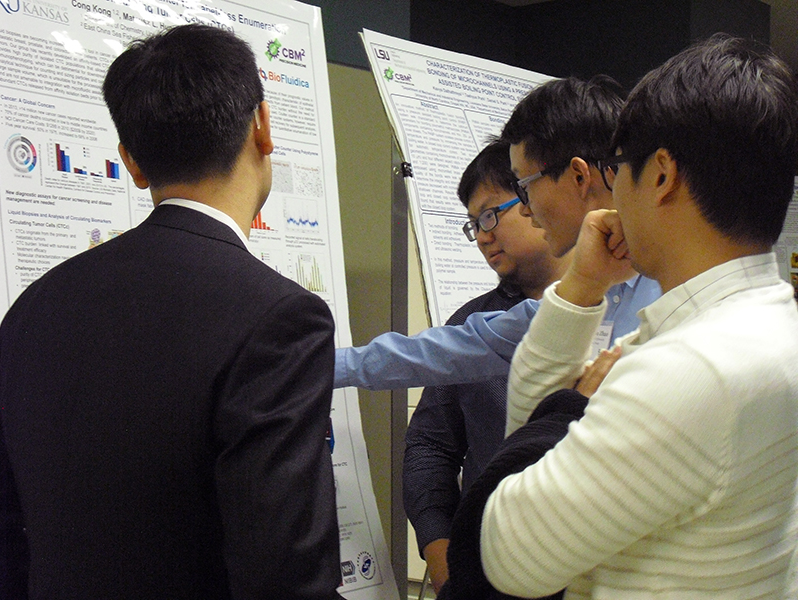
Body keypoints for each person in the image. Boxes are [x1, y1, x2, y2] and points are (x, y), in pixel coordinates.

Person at [0, 24, 342, 600]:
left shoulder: (32, 308)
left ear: (131, 162)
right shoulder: (280, 319)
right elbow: (286, 575)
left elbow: (11, 542)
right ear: (262, 126)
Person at [481, 35, 798, 599]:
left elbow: (508, 554)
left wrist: (571, 405)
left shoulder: (691, 369)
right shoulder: (766, 321)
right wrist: (582, 284)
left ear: (660, 175)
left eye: (618, 168)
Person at [334, 77, 660, 392]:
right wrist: (319, 365)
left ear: (578, 176)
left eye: (525, 186)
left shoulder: (676, 278)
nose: (527, 208)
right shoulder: (572, 296)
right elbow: (452, 348)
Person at [403, 140, 568, 593]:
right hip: (487, 573)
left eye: (491, 214)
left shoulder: (628, 311)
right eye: (473, 224)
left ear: (538, 200)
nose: (481, 235)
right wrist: (443, 562)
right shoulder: (473, 325)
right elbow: (429, 447)